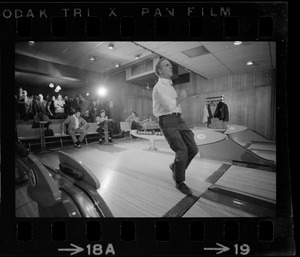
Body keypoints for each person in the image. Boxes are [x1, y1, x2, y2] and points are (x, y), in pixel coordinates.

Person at [152, 58, 198, 195]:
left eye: (171, 65)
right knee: (182, 150)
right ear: (160, 71)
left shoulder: (169, 86)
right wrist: (181, 97)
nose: (171, 67)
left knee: (193, 149)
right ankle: (179, 181)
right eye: (167, 65)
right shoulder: (158, 87)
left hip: (179, 120)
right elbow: (169, 106)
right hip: (167, 121)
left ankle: (175, 166)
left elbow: (175, 107)